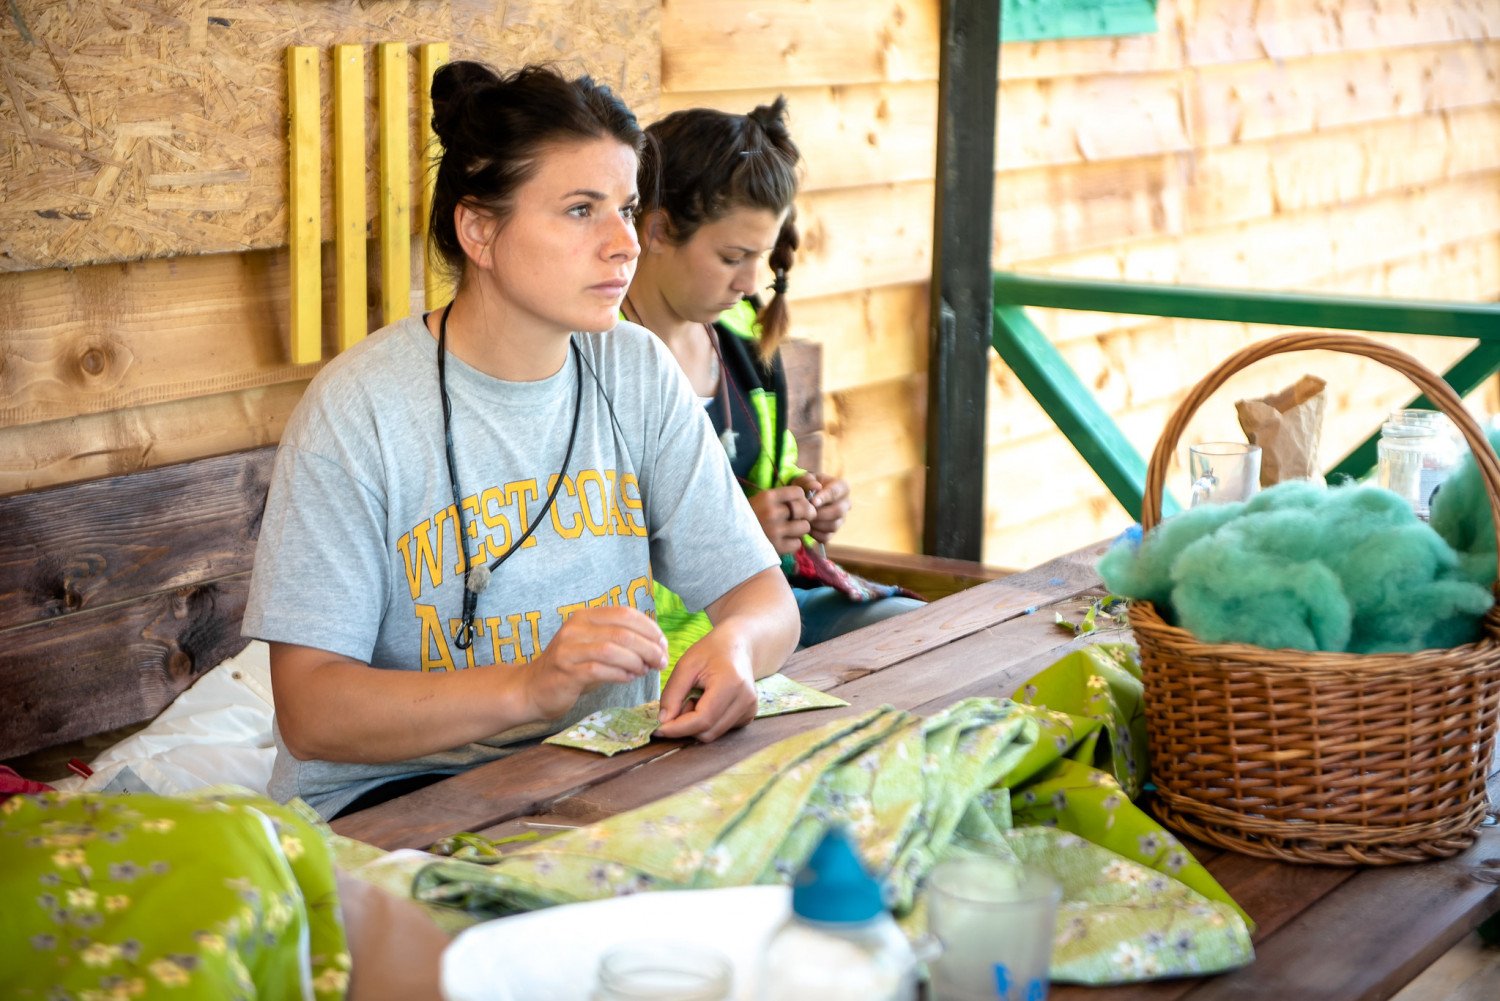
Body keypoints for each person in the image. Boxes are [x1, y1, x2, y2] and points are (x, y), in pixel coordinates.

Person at [242, 62, 799, 820]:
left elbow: (764, 598)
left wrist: (738, 647)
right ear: (479, 229)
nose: (623, 244)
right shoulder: (358, 409)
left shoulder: (635, 369)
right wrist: (530, 687)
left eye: (627, 209)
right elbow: (312, 710)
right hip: (397, 802)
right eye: (579, 210)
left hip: (606, 770)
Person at [623, 97, 923, 669]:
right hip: (672, 647)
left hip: (772, 616)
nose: (752, 281)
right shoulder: (600, 361)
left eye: (760, 256)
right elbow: (582, 560)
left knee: (922, 638)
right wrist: (735, 544)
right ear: (658, 230)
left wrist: (803, 502)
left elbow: (761, 472)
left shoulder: (739, 340)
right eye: (733, 255)